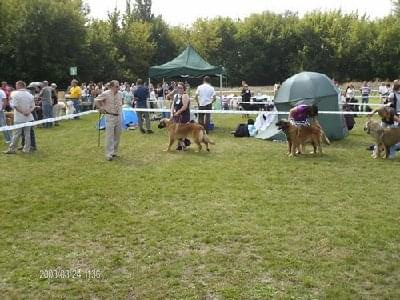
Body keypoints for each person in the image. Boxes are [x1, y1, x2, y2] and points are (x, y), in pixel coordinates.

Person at [94, 80, 123, 161]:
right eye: (117, 86)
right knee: (109, 136)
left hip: (119, 116)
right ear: (112, 86)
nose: (118, 87)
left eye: (119, 86)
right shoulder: (106, 93)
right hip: (110, 116)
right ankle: (108, 154)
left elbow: (121, 103)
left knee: (118, 135)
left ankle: (114, 152)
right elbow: (96, 100)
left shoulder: (120, 94)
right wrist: (100, 108)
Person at [3, 81, 35, 154]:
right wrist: (28, 112)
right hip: (29, 117)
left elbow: (14, 105)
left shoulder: (14, 93)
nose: (16, 86)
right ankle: (26, 149)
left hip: (19, 117)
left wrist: (23, 112)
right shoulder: (30, 95)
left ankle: (12, 149)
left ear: (19, 85)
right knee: (27, 134)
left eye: (16, 85)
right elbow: (33, 106)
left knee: (16, 134)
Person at [171, 82, 191, 150]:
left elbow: (184, 106)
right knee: (177, 131)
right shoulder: (176, 95)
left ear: (184, 89)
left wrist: (178, 112)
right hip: (176, 116)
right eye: (178, 88)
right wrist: (172, 113)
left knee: (182, 132)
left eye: (180, 88)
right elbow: (173, 105)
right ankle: (181, 144)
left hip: (184, 116)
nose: (179, 89)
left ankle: (182, 145)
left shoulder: (185, 95)